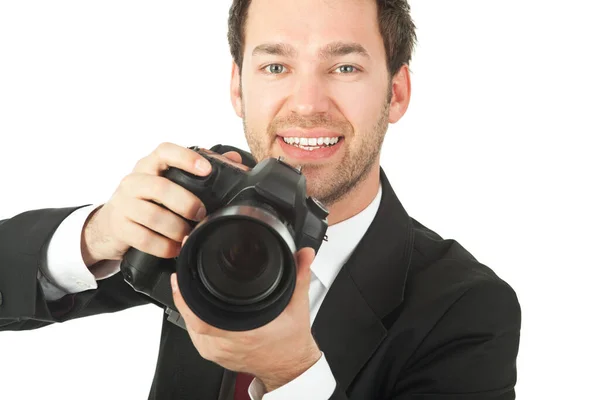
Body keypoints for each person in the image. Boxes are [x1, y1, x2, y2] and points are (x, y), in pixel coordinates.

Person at [0, 0, 521, 399]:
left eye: (344, 68)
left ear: (397, 93)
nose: (308, 104)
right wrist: (98, 235)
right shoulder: (207, 215)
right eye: (275, 67)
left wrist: (291, 375)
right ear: (238, 87)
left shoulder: (468, 309)